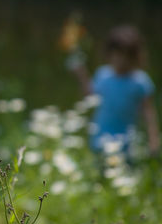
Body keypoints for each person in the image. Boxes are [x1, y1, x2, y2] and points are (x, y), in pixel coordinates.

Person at [67, 25, 160, 156]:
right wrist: (82, 75)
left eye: (127, 56)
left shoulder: (140, 82)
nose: (121, 60)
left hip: (127, 143)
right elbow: (90, 98)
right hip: (100, 139)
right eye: (117, 54)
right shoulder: (103, 75)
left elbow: (149, 112)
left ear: (136, 57)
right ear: (109, 54)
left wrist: (153, 139)